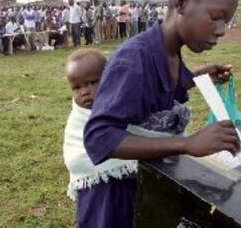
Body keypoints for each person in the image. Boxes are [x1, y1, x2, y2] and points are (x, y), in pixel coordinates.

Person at [83, 0, 240, 228]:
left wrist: (197, 77)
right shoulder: (133, 59)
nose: (222, 30)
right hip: (117, 196)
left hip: (145, 180)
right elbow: (99, 137)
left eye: (227, 21)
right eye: (215, 17)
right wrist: (186, 144)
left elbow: (156, 91)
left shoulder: (169, 49)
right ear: (180, 4)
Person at [64, 48, 189, 228]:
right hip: (99, 192)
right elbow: (78, 157)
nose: (84, 92)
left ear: (110, 78)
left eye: (92, 82)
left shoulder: (123, 104)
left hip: (128, 187)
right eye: (76, 87)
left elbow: (150, 119)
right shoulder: (80, 120)